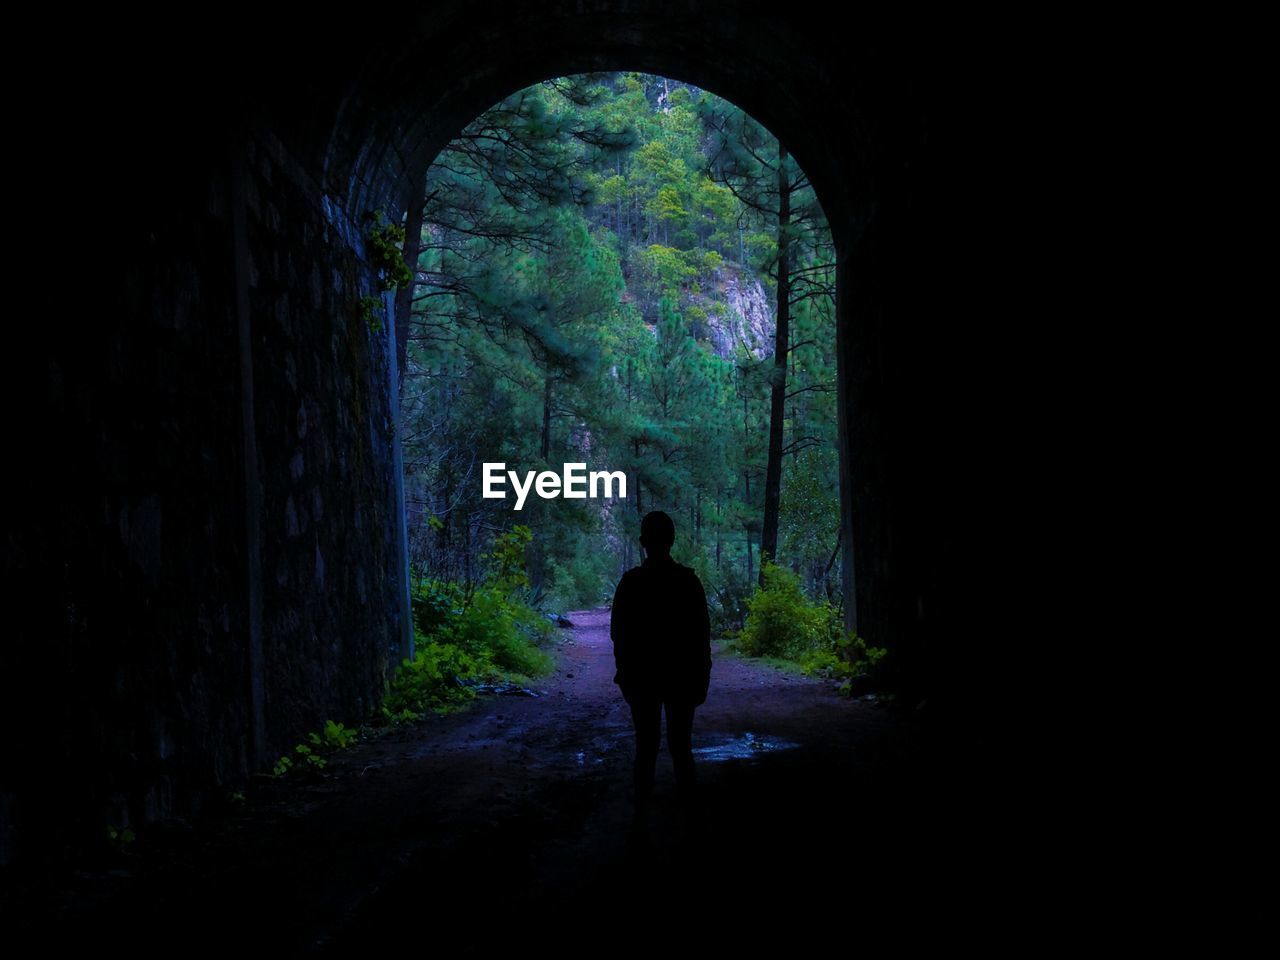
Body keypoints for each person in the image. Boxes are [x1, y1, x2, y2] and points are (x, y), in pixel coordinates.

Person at [610, 510, 712, 830]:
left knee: (646, 747)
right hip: (680, 678)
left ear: (642, 543)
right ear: (672, 541)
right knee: (681, 747)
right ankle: (691, 818)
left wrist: (625, 676)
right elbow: (701, 634)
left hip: (643, 679)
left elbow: (619, 635)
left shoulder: (630, 583)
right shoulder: (688, 581)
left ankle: (641, 819)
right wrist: (702, 677)